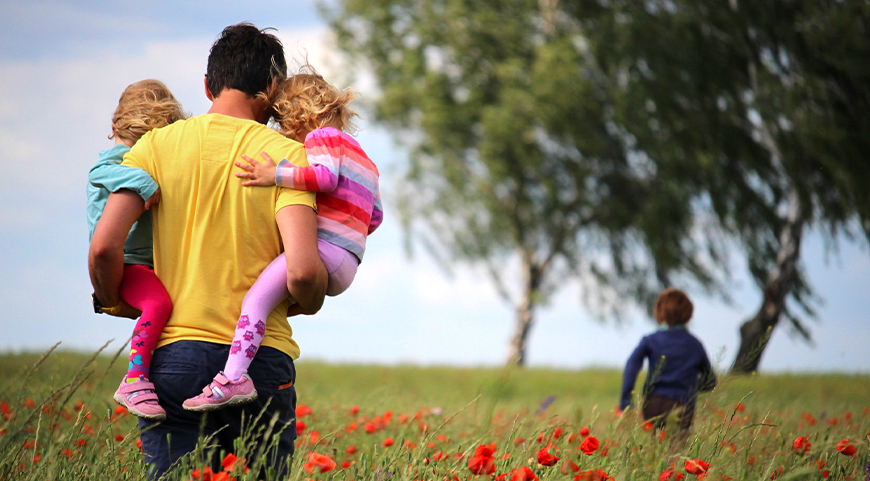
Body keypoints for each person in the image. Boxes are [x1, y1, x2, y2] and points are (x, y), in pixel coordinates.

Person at [88, 23, 328, 479]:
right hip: (260, 361)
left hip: (173, 355)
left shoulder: (153, 147)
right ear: (273, 88)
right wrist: (309, 301)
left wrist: (114, 298)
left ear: (207, 85)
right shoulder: (287, 158)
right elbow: (301, 272)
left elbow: (103, 247)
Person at [183, 71, 383, 411]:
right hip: (349, 261)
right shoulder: (366, 160)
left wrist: (273, 174)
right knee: (274, 300)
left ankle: (233, 377)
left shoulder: (322, 138)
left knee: (255, 301)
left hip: (324, 251)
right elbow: (375, 216)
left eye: (283, 122)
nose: (285, 133)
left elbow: (324, 177)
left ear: (298, 115)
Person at [87, 79, 186, 421]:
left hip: (145, 263)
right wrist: (145, 182)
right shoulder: (117, 160)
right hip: (127, 263)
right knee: (159, 303)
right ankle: (135, 378)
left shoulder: (133, 155)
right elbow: (100, 172)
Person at [619, 288, 717, 433]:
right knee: (677, 451)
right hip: (683, 405)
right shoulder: (695, 344)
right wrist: (689, 387)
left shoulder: (650, 340)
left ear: (659, 312)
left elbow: (631, 365)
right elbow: (710, 381)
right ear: (688, 314)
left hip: (653, 403)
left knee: (656, 449)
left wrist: (626, 401)